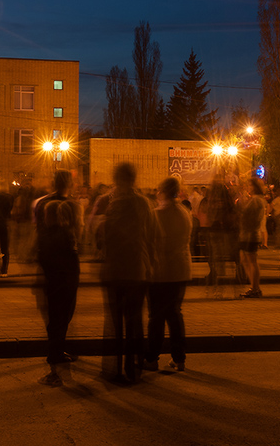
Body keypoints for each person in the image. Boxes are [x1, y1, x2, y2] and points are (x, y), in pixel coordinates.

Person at [98, 162, 159, 384]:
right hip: (137, 270)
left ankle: (115, 369)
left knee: (116, 324)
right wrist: (150, 265)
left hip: (115, 270)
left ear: (117, 180)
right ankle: (134, 368)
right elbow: (152, 236)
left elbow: (103, 238)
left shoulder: (110, 204)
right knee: (135, 321)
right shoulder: (144, 204)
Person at [144, 177, 192, 372]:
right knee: (174, 315)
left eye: (158, 190)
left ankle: (151, 358)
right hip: (181, 269)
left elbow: (149, 242)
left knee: (156, 317)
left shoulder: (156, 214)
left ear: (162, 192)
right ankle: (179, 358)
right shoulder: (184, 212)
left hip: (161, 271)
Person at [36, 199, 83, 387]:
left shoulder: (48, 235)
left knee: (54, 326)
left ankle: (54, 371)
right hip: (69, 284)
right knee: (63, 323)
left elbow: (46, 262)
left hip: (56, 285)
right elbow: (74, 261)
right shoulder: (68, 233)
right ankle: (60, 355)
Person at [237, 179, 267, 299]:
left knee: (251, 260)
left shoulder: (256, 200)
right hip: (247, 233)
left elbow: (249, 216)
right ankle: (253, 286)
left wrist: (240, 212)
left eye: (250, 185)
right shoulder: (256, 200)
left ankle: (255, 287)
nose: (248, 187)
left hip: (251, 234)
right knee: (245, 259)